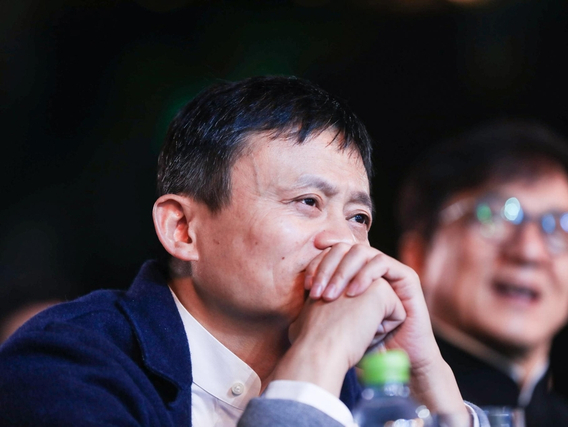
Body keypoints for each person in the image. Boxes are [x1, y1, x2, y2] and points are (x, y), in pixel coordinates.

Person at [0, 76, 486, 426]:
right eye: (308, 202)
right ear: (182, 229)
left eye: (358, 217)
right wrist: (318, 357)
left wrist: (428, 382)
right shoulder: (66, 364)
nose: (343, 240)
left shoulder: (361, 381)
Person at [397, 120, 568, 427]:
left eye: (561, 227)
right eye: (493, 216)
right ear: (417, 256)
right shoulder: (371, 411)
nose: (529, 251)